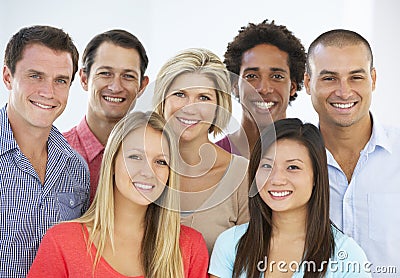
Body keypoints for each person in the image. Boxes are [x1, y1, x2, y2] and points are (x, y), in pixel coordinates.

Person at [28, 111, 209, 277]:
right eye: (135, 157)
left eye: (161, 162)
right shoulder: (62, 242)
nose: (148, 172)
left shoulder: (190, 248)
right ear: (113, 162)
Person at [209, 118, 371, 277]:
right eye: (266, 165)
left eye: (293, 167)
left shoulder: (347, 256)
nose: (277, 179)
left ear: (316, 176)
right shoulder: (230, 244)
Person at [304, 29, 400, 276]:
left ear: (373, 79)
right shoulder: (291, 163)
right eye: (329, 79)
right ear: (307, 83)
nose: (344, 92)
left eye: (356, 77)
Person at [0, 25, 90, 277]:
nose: (48, 92)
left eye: (60, 80)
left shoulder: (76, 168)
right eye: (35, 76)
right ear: (8, 77)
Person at [152, 48, 249, 253]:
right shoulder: (140, 165)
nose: (190, 108)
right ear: (163, 100)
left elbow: (248, 262)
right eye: (180, 94)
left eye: (203, 97)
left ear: (219, 106)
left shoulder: (242, 175)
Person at [64, 29, 149, 202]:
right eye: (105, 73)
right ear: (84, 78)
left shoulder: (153, 158)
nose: (116, 87)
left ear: (142, 86)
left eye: (128, 76)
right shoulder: (54, 154)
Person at [216, 19, 306, 158]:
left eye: (277, 76)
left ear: (292, 87)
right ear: (235, 86)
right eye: (251, 76)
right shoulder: (212, 158)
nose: (264, 89)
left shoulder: (311, 156)